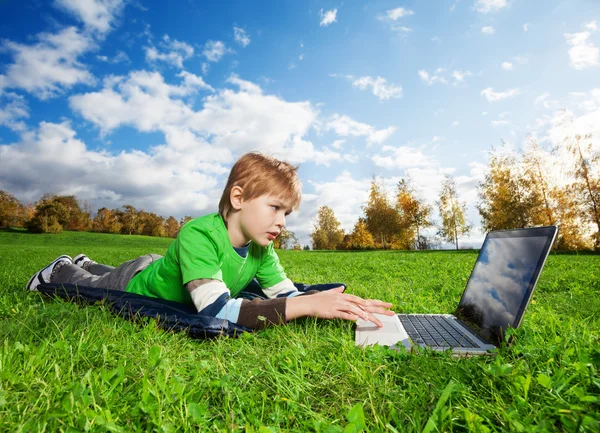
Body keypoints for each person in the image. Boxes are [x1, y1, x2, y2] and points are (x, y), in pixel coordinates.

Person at [26, 152, 394, 329]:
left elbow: (285, 294)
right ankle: (64, 267)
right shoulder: (199, 233)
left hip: (171, 267)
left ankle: (87, 260)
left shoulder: (262, 248)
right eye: (275, 208)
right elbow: (216, 311)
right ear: (238, 199)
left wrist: (331, 302)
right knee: (92, 283)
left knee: (98, 269)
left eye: (287, 214)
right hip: (140, 280)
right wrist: (308, 307)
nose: (281, 223)